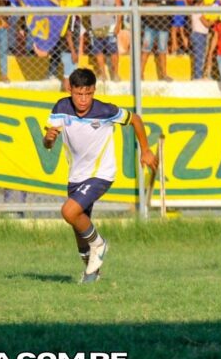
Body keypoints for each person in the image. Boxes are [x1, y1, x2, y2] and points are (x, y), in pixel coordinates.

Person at [43, 68, 157, 283]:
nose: (83, 99)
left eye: (88, 94)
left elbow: (135, 120)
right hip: (76, 176)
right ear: (70, 90)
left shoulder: (105, 111)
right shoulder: (61, 108)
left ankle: (100, 244)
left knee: (68, 211)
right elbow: (48, 143)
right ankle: (91, 274)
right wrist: (48, 139)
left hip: (101, 174)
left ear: (94, 90)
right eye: (79, 94)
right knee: (79, 229)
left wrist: (145, 150)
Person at [85, 0, 122, 83]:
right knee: (98, 51)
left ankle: (115, 74)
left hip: (110, 26)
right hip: (96, 27)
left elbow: (119, 10)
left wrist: (118, 25)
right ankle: (103, 74)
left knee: (113, 51)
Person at [141, 0, 174, 81]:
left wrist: (154, 8)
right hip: (150, 27)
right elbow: (144, 8)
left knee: (162, 51)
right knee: (145, 50)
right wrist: (159, 9)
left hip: (163, 28)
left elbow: (168, 12)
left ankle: (164, 75)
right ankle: (140, 74)